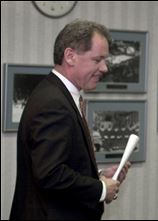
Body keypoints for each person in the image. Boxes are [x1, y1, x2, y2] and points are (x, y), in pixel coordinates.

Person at [9, 20, 131, 220]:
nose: (105, 68)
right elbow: (50, 174)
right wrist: (100, 189)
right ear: (70, 56)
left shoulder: (57, 94)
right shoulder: (53, 103)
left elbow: (60, 164)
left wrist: (98, 175)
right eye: (97, 59)